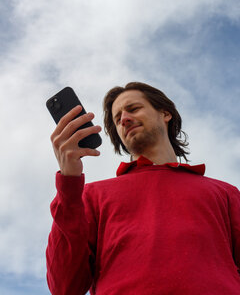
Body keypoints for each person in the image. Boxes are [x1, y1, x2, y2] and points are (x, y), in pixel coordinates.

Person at [46, 82, 240, 295]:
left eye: (134, 109)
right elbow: (64, 287)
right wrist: (68, 180)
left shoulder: (225, 193)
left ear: (165, 114)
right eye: (117, 118)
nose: (124, 119)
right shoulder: (88, 195)